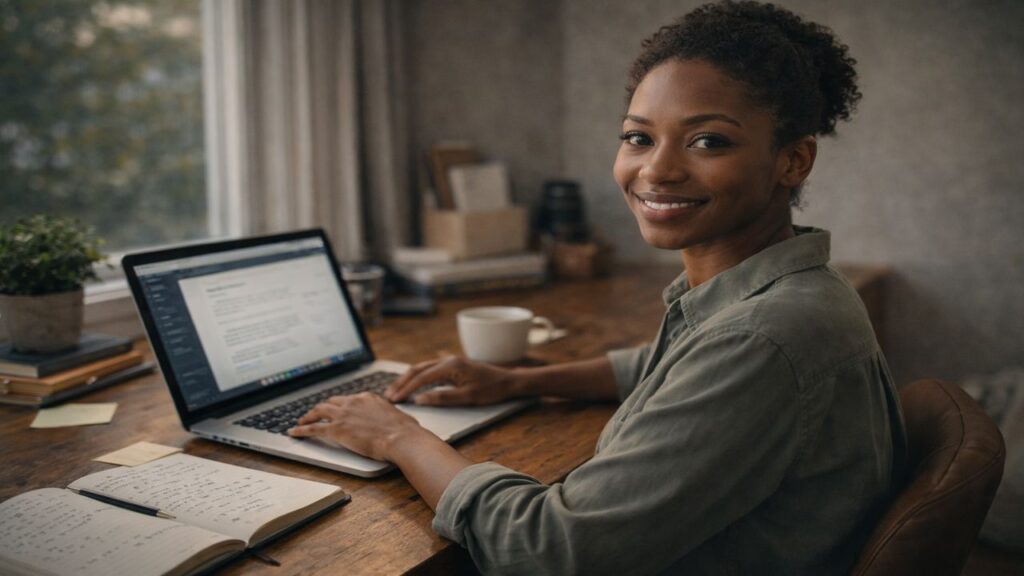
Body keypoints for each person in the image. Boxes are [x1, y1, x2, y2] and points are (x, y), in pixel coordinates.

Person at [289, 1, 907, 573]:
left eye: (708, 141)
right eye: (638, 137)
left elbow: (551, 549)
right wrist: (519, 382)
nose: (656, 169)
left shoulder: (764, 337)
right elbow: (673, 368)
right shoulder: (790, 291)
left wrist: (399, 436)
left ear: (793, 161)